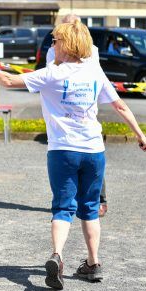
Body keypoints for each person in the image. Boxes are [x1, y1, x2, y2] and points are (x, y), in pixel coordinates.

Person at [0, 19, 146, 290]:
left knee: (63, 207)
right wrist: (140, 135)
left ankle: (57, 256)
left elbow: (7, 80)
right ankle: (93, 263)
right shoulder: (95, 74)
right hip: (93, 151)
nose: (52, 44)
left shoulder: (52, 74)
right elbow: (120, 106)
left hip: (63, 150)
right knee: (90, 209)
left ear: (68, 45)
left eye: (56, 40)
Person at [47, 14, 108, 217]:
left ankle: (99, 200)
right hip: (64, 109)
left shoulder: (92, 49)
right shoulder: (52, 49)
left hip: (85, 106)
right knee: (67, 162)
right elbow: (50, 74)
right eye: (67, 24)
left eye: (74, 24)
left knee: (94, 155)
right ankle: (67, 203)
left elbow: (95, 75)